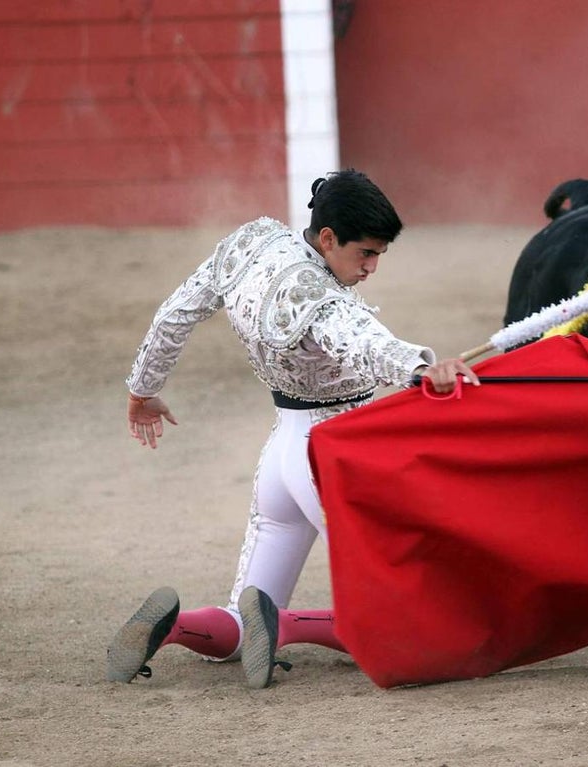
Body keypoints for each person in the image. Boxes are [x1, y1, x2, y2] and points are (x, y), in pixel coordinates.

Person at [107, 170, 479, 689]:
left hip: (283, 456)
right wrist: (422, 369)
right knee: (416, 623)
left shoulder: (253, 242)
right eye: (365, 253)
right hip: (332, 460)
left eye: (379, 255)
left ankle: (175, 627)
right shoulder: (318, 299)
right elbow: (363, 341)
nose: (371, 267)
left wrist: (142, 390)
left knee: (242, 626)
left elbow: (176, 315)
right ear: (327, 238)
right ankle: (286, 625)